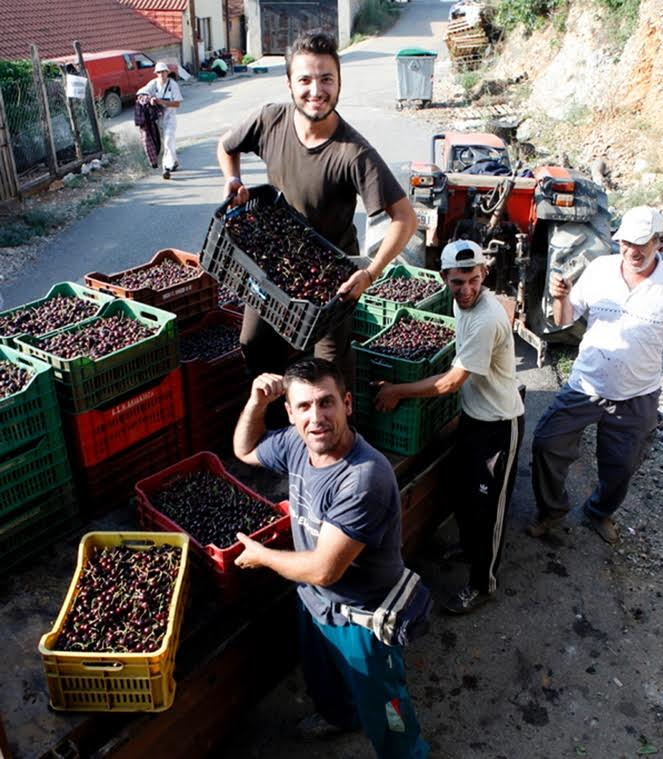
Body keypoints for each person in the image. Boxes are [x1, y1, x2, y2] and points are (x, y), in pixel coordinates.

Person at [232, 358, 429, 758]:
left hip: (361, 617)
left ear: (347, 404)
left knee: (387, 707)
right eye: (303, 407)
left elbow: (325, 569)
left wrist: (263, 557)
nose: (316, 417)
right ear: (290, 412)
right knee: (325, 679)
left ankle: (406, 753)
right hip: (314, 600)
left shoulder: (363, 478)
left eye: (326, 403)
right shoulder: (295, 441)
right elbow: (245, 449)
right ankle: (340, 717)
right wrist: (255, 403)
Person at [217, 30, 417, 389]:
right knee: (255, 347)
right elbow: (227, 146)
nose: (316, 90)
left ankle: (342, 437)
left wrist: (370, 273)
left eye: (327, 79)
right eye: (305, 79)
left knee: (329, 371)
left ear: (339, 82)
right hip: (273, 266)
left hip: (331, 284)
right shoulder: (269, 121)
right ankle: (279, 428)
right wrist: (232, 180)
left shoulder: (353, 153)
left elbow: (405, 217)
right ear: (289, 83)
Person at [529, 206, 663, 544]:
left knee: (621, 467)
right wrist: (560, 299)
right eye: (626, 243)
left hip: (637, 394)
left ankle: (598, 512)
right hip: (586, 384)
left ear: (659, 243)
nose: (633, 251)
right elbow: (564, 319)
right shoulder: (600, 269)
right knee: (547, 443)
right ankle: (552, 511)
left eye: (642, 244)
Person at [374, 240, 525, 614]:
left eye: (474, 280)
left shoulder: (486, 317)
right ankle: (470, 548)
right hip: (474, 417)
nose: (467, 289)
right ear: (444, 279)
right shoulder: (461, 305)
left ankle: (482, 582)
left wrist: (398, 391)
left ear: (484, 275)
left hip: (500, 426)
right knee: (466, 496)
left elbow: (450, 382)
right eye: (458, 282)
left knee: (489, 510)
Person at [137, 62, 182, 179]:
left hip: (170, 119)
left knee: (168, 141)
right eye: (159, 72)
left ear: (167, 72)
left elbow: (177, 103)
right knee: (166, 143)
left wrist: (162, 102)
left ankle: (166, 168)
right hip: (158, 120)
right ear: (156, 74)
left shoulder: (173, 85)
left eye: (163, 71)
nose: (161, 74)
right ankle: (174, 161)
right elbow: (141, 92)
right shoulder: (153, 84)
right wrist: (150, 98)